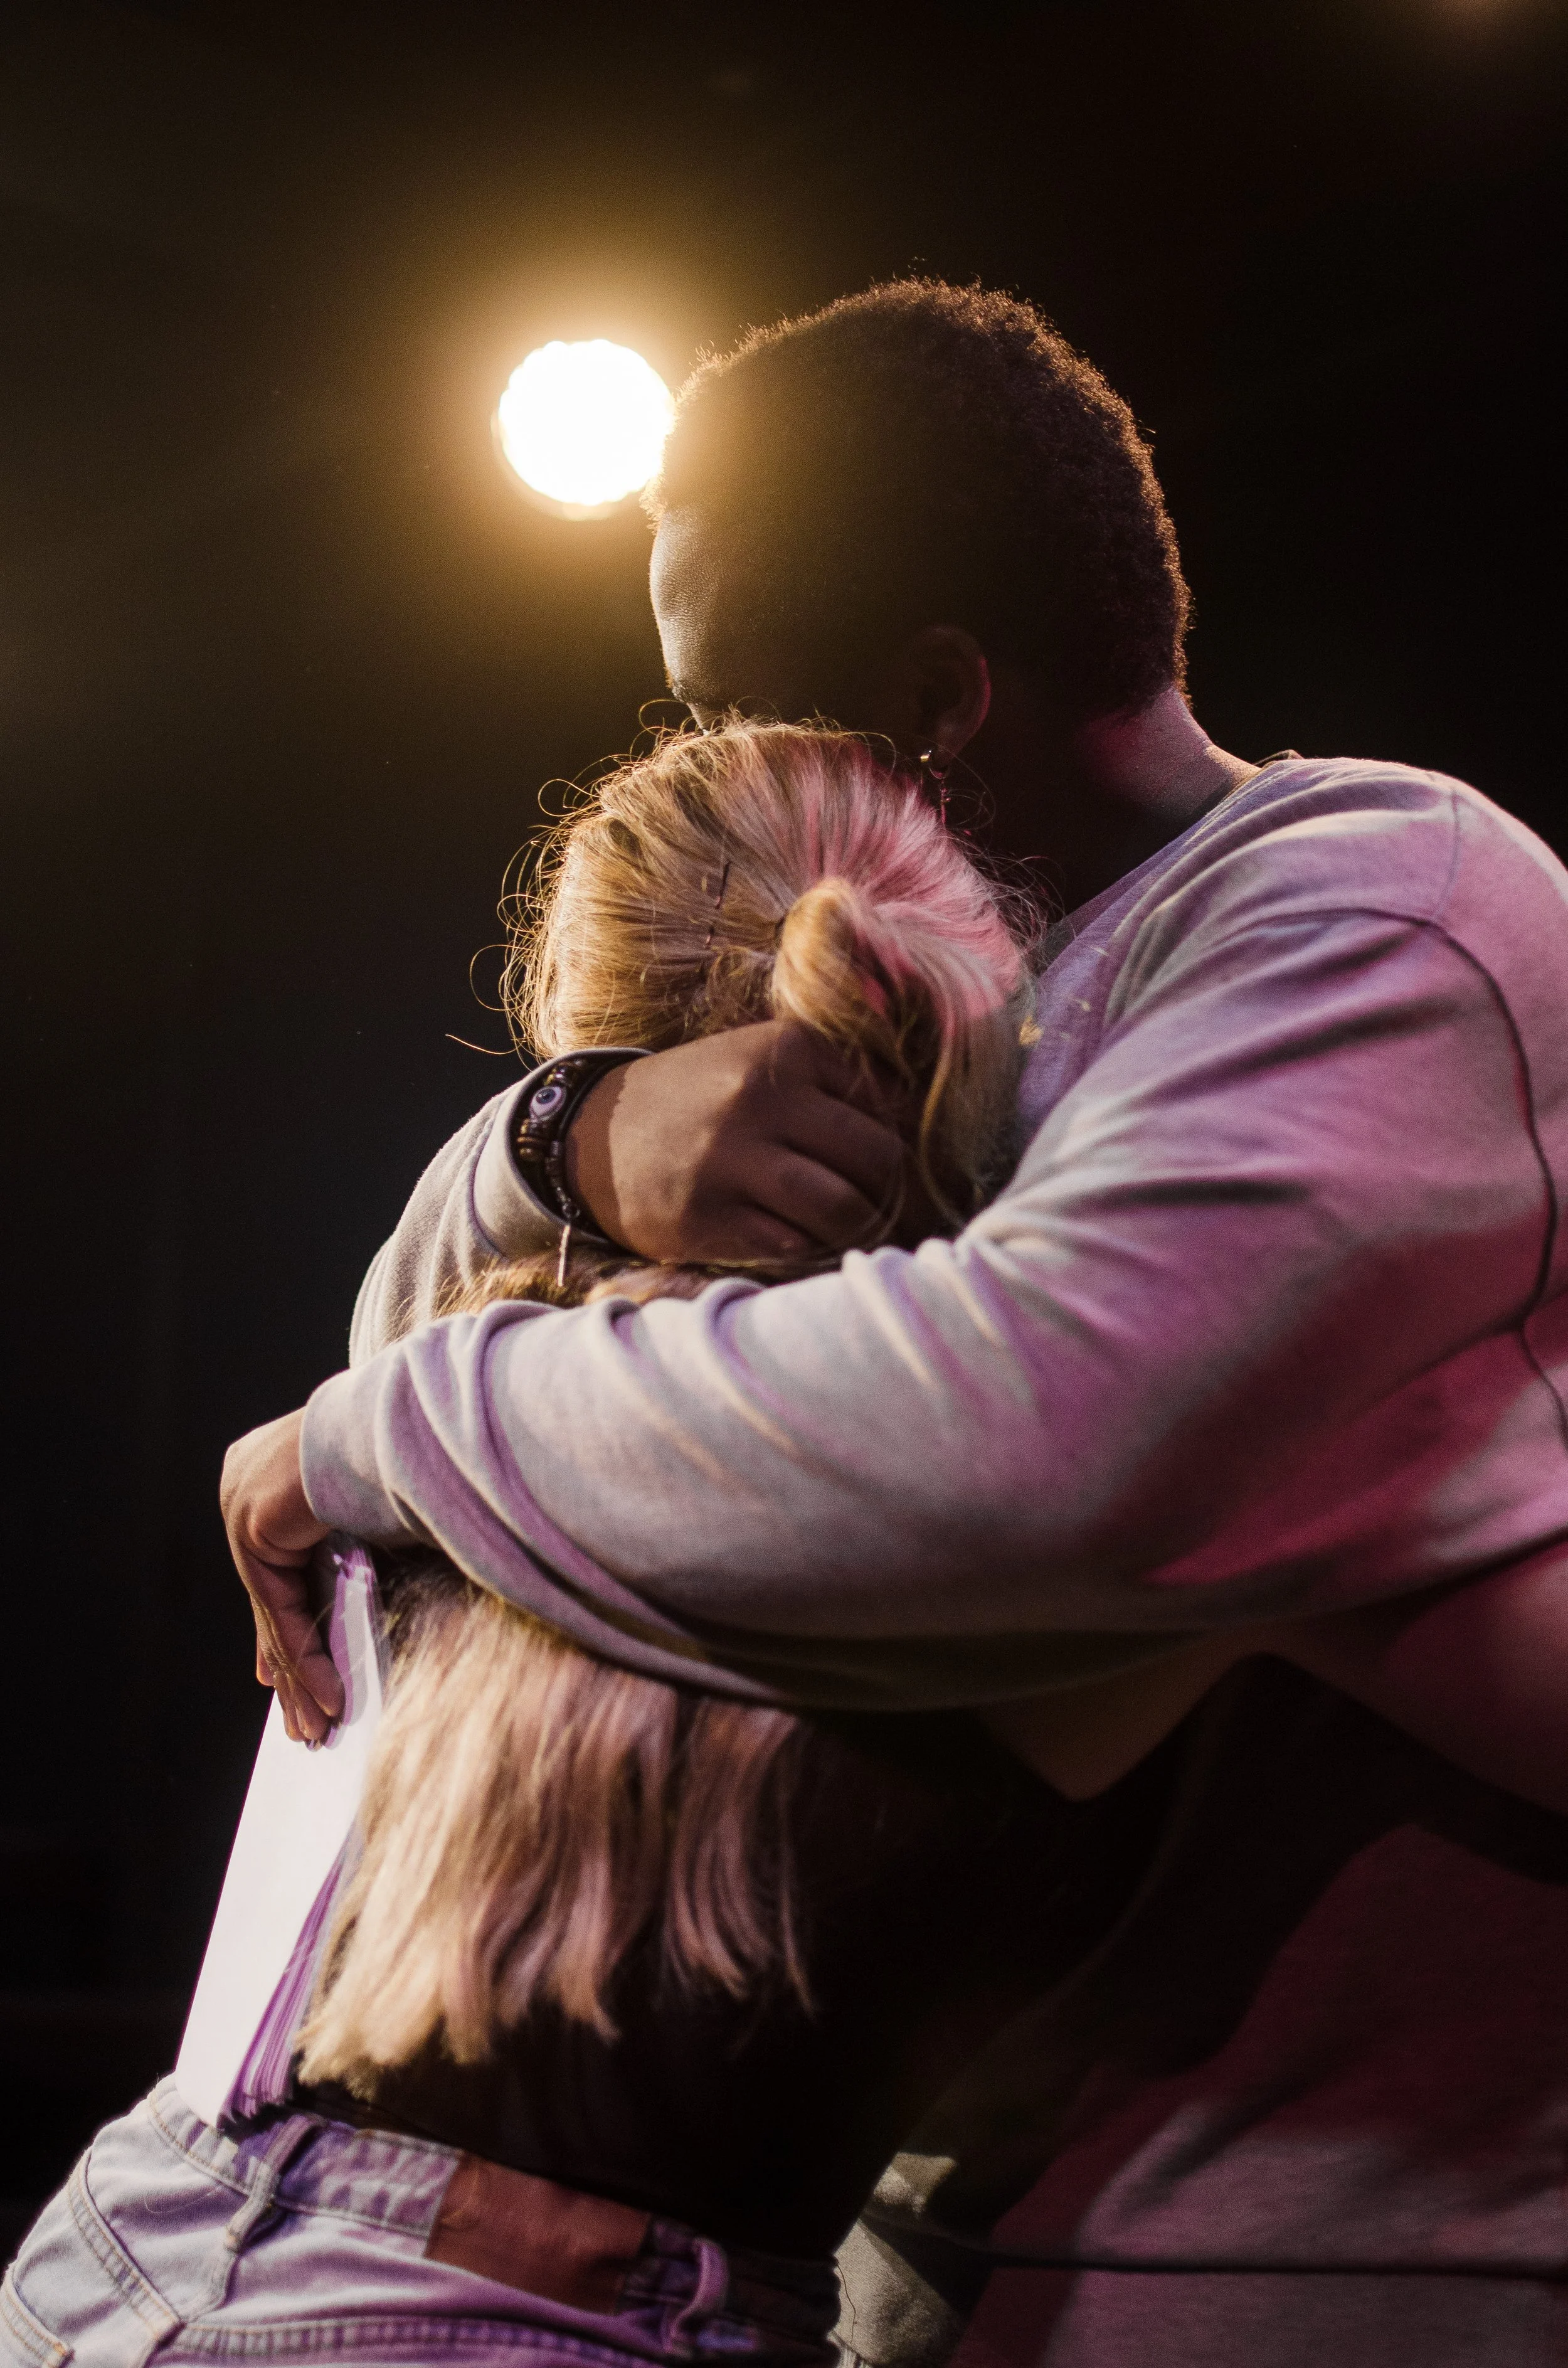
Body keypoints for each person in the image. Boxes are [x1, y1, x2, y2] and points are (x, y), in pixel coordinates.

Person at [214, 280, 1568, 2363]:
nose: (708, 760)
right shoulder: (951, 1020)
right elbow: (506, 1403)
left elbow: (1032, 1453)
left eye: (727, 692)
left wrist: (365, 1437)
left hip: (1318, 2269)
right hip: (900, 2261)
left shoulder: (1367, 906)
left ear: (939, 696)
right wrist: (561, 1143)